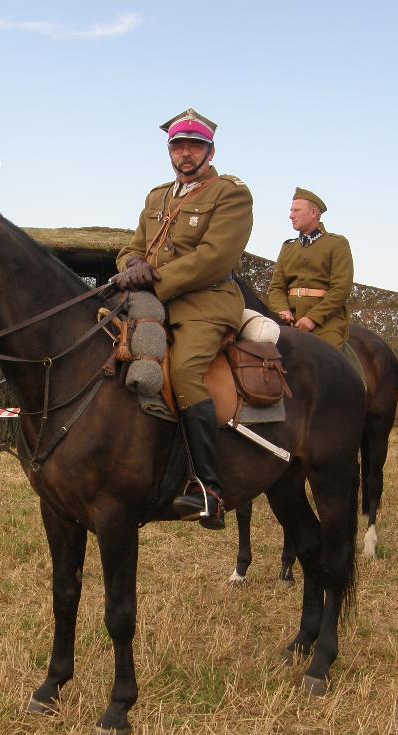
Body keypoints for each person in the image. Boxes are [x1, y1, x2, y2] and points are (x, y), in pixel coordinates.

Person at [112, 108, 253, 531]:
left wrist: (154, 279)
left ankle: (208, 488)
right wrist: (130, 264)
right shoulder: (157, 197)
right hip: (152, 300)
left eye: (194, 146)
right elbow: (131, 247)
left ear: (211, 151)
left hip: (206, 300)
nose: (185, 153)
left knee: (187, 371)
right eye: (178, 145)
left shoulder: (230, 193)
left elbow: (216, 257)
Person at [266, 188, 354, 350]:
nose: (291, 215)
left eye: (296, 210)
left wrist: (313, 318)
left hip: (326, 323)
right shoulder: (288, 248)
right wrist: (282, 310)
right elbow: (276, 287)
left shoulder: (337, 244)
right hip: (290, 320)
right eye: (291, 210)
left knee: (330, 363)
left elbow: (341, 288)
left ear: (313, 213)